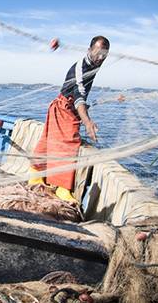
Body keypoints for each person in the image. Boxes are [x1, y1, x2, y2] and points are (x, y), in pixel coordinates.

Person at [29, 36, 110, 202]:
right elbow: (79, 95)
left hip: (71, 108)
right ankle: (62, 188)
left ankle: (36, 177)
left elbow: (81, 98)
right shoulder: (81, 67)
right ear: (89, 50)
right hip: (64, 108)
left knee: (49, 141)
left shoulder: (95, 63)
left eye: (104, 55)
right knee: (68, 143)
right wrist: (87, 122)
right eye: (98, 53)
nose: (101, 58)